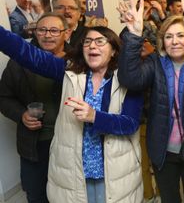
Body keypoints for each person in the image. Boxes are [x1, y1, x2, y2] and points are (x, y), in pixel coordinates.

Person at [0, 23, 144, 202]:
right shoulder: (69, 71)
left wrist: (94, 116)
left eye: (100, 41)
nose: (92, 45)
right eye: (88, 41)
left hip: (113, 171)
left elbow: (130, 123)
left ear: (114, 50)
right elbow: (26, 53)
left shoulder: (128, 79)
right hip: (73, 171)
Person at [117, 0, 184, 203]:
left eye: (181, 36)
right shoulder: (156, 62)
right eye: (169, 36)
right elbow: (130, 79)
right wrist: (134, 35)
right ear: (162, 40)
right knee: (169, 199)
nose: (175, 41)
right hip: (163, 149)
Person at [0, 13, 71, 203]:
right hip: (35, 144)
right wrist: (21, 114)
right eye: (42, 30)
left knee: (69, 194)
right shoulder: (18, 63)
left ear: (67, 33)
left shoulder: (78, 61)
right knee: (36, 193)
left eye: (54, 30)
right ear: (35, 33)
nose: (47, 35)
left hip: (70, 142)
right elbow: (4, 98)